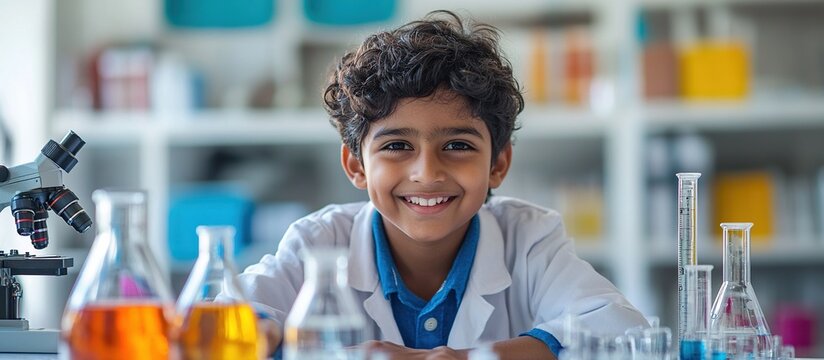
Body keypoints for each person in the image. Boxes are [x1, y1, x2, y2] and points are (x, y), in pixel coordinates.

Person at [241, 10, 649, 360]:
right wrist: (270, 336)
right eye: (397, 146)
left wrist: (463, 358)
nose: (427, 172)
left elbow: (622, 332)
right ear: (356, 165)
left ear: (498, 164)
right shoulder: (319, 242)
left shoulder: (528, 239)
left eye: (457, 145)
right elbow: (228, 315)